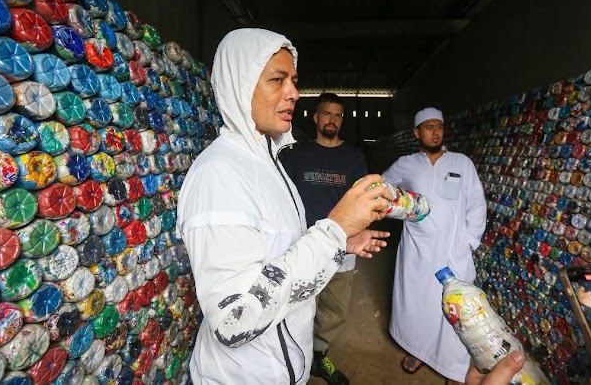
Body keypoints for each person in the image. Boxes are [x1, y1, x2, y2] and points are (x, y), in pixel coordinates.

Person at [177, 28, 392, 384]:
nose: (293, 93)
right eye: (277, 80)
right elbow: (234, 321)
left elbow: (278, 247)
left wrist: (339, 243)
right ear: (239, 85)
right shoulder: (219, 175)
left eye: (293, 80)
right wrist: (334, 229)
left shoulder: (269, 161)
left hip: (283, 368)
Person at [284, 93, 385, 385]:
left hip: (343, 246)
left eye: (338, 115)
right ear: (316, 118)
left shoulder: (353, 157)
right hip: (303, 246)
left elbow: (364, 201)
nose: (332, 120)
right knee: (297, 304)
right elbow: (285, 198)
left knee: (335, 310)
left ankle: (318, 355)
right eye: (326, 114)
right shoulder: (298, 155)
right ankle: (293, 357)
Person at [381, 107, 487, 384]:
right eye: (428, 127)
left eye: (439, 127)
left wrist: (468, 242)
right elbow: (382, 188)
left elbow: (477, 204)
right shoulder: (406, 164)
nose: (435, 132)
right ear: (417, 132)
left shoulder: (461, 163)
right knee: (418, 303)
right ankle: (418, 351)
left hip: (455, 250)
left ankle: (455, 366)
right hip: (417, 249)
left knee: (455, 307)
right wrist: (399, 208)